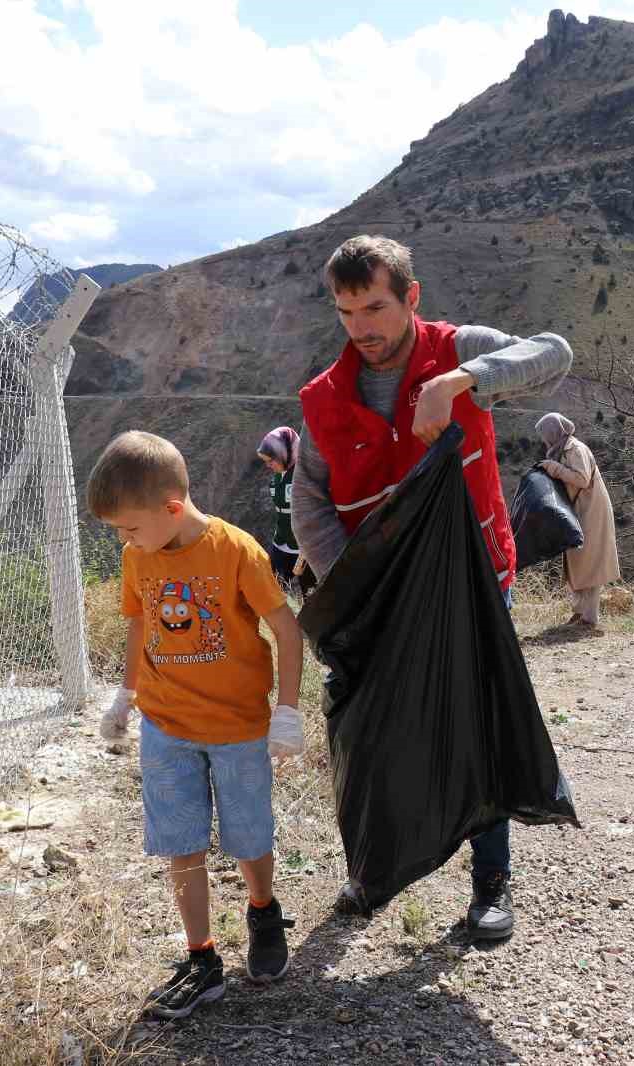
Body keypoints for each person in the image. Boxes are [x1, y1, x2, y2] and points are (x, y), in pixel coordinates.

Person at [292, 234, 572, 940]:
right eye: (348, 312)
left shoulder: (455, 349)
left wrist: (464, 378)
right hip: (379, 596)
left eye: (376, 308)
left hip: (476, 580)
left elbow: (554, 352)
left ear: (411, 297)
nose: (364, 329)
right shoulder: (324, 399)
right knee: (373, 732)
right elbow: (311, 502)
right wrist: (348, 584)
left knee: (478, 724)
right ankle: (375, 871)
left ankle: (490, 885)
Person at [87, 430, 306, 1018]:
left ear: (172, 508)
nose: (123, 539)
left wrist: (287, 709)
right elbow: (139, 624)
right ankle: (201, 957)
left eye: (129, 526)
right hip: (167, 726)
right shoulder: (138, 554)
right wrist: (125, 694)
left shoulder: (236, 550)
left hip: (236, 727)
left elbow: (286, 629)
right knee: (181, 841)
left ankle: (262, 910)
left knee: (248, 834)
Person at [535, 413, 620, 629]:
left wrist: (555, 469)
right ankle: (579, 611)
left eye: (545, 434)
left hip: (591, 510)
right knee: (576, 562)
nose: (544, 439)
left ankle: (590, 618)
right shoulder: (561, 449)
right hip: (578, 510)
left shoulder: (576, 448)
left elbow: (581, 478)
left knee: (589, 563)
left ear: (554, 431)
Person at [256, 426, 315, 598]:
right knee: (272, 588)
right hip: (281, 542)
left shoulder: (304, 474)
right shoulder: (277, 476)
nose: (268, 465)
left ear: (285, 453)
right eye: (266, 461)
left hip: (304, 547)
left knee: (309, 593)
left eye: (271, 460)